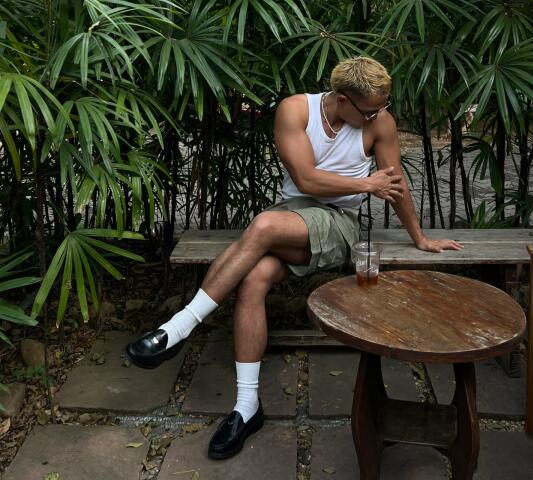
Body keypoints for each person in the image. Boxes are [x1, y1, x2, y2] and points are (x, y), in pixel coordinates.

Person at [125, 56, 463, 459]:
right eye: (370, 110)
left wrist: (419, 237)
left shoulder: (380, 124)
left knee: (263, 226)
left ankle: (179, 328)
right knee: (254, 279)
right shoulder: (296, 110)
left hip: (338, 223)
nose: (377, 116)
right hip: (293, 214)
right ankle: (246, 408)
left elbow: (395, 184)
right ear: (342, 99)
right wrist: (365, 183)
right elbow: (305, 179)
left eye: (381, 108)